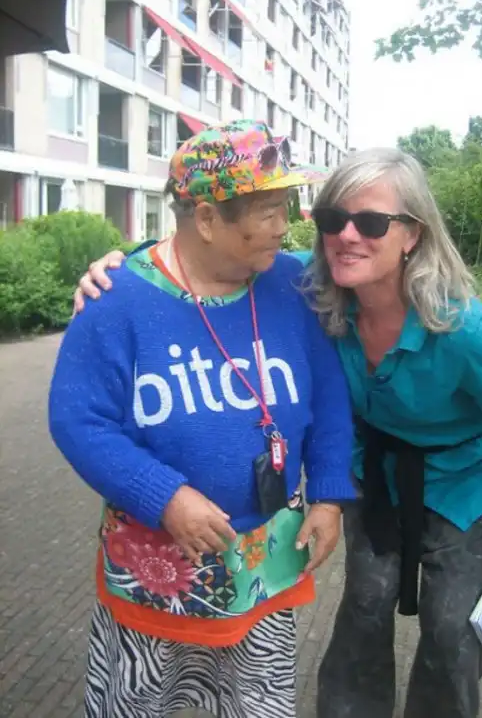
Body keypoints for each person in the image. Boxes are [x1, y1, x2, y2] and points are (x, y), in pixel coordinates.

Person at [74, 146, 482, 718]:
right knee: (365, 606)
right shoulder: (315, 288)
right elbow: (199, 253)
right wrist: (122, 264)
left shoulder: (468, 330)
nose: (346, 236)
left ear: (412, 234)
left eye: (372, 223)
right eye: (333, 219)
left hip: (463, 480)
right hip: (377, 472)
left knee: (452, 626)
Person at [50, 120, 357, 718]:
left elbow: (328, 397)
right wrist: (163, 496)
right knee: (138, 703)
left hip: (264, 562)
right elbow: (79, 421)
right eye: (268, 211)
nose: (286, 225)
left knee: (258, 705)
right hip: (157, 568)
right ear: (209, 219)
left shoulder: (293, 283)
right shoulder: (116, 300)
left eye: (287, 205)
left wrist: (328, 495)